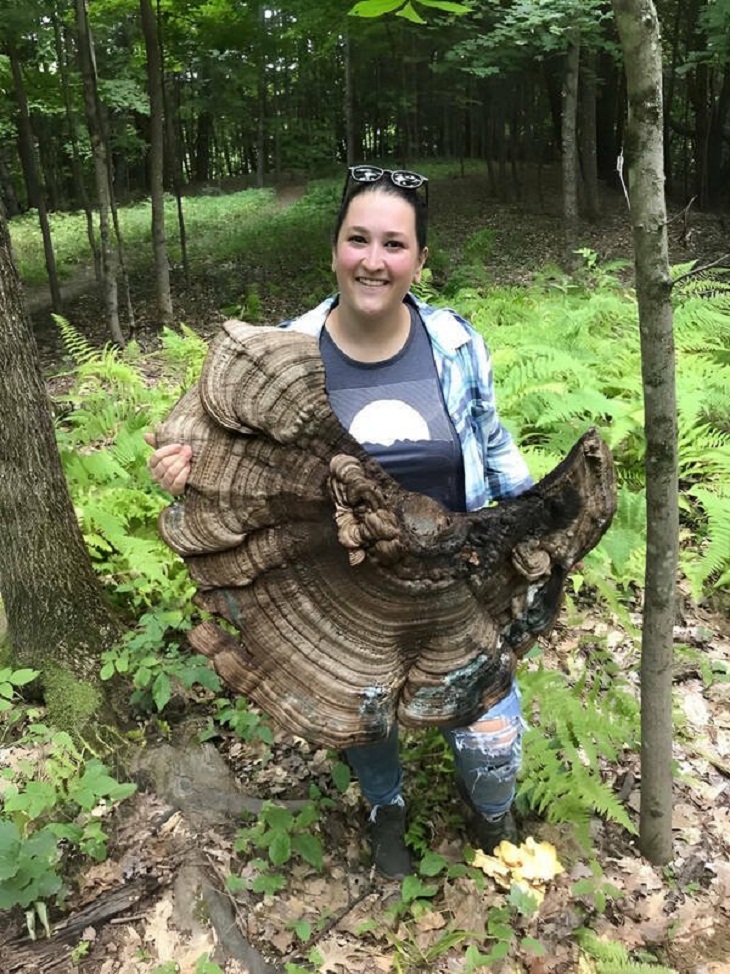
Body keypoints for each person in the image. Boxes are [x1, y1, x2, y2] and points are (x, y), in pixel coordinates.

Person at [147, 165, 533, 880]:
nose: (374, 260)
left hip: (460, 575)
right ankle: (386, 804)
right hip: (339, 591)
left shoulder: (452, 340)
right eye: (358, 239)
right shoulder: (283, 356)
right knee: (365, 714)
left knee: (493, 741)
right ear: (334, 250)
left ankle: (490, 809)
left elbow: (492, 436)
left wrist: (534, 518)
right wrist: (180, 471)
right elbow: (205, 449)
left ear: (419, 259)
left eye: (394, 244)